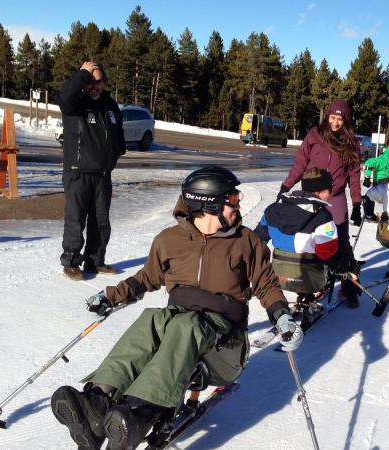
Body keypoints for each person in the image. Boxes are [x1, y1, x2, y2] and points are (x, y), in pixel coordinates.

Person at [50, 166, 300, 450]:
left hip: (225, 343)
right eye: (232, 198)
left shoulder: (246, 241)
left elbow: (266, 284)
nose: (238, 203)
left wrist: (282, 316)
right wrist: (111, 296)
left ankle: (139, 413)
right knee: (152, 320)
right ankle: (97, 402)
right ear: (210, 204)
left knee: (184, 325)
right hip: (180, 326)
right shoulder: (170, 240)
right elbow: (147, 278)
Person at [280, 98, 363, 306]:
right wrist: (286, 186)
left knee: (340, 242)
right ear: (327, 116)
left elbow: (354, 175)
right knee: (309, 240)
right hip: (310, 196)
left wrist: (356, 203)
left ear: (346, 120)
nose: (335, 123)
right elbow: (300, 163)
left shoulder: (350, 142)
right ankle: (310, 282)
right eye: (333, 118)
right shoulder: (315, 135)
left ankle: (348, 287)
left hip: (335, 197)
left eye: (340, 119)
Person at [59, 61, 126, 281]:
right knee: (76, 219)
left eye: (98, 82)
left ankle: (95, 260)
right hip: (78, 172)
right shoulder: (75, 103)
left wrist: (115, 154)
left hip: (103, 174)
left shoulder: (110, 106)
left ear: (104, 83)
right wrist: (82, 74)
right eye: (90, 81)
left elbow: (117, 136)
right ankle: (71, 262)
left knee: (101, 221)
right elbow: (65, 96)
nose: (93, 86)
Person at [255, 167, 353, 305]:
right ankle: (312, 293)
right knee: (331, 259)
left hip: (279, 275)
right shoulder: (323, 217)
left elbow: (257, 240)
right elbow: (327, 253)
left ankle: (303, 292)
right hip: (309, 277)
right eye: (329, 190)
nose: (331, 194)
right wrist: (344, 265)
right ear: (319, 191)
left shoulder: (272, 210)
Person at [361, 144, 389, 221]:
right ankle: (369, 214)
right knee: (372, 195)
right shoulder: (382, 161)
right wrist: (367, 178)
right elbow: (368, 163)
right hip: (380, 182)